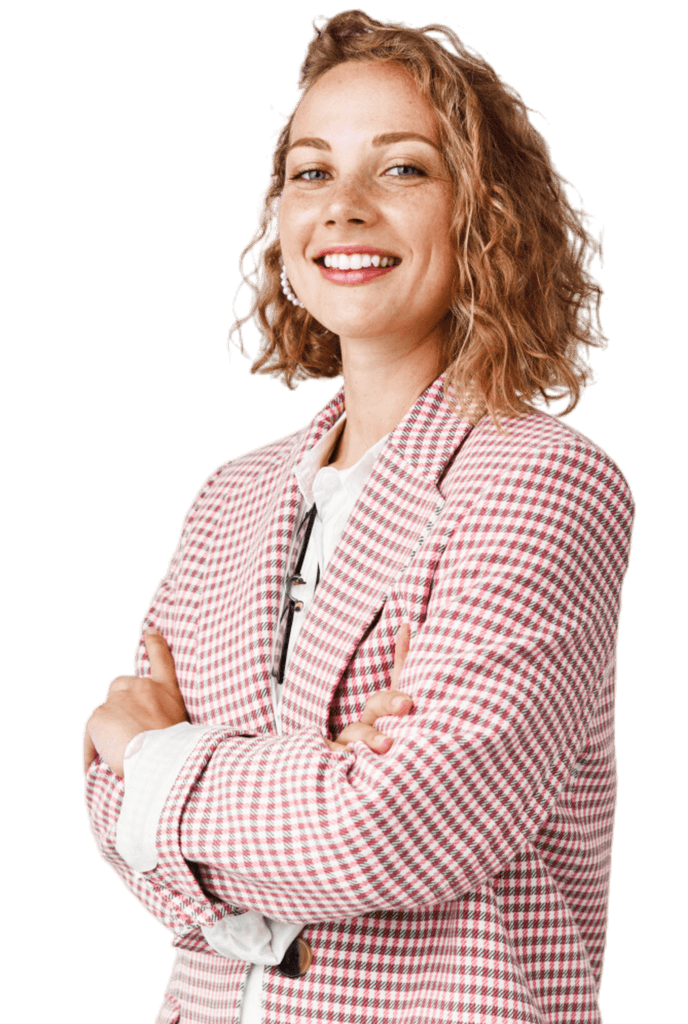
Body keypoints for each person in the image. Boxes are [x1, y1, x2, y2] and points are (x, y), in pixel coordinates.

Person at [82, 10, 635, 1023]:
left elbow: (396, 828)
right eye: (309, 171)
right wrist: (312, 782)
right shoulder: (228, 497)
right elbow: (109, 814)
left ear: (484, 214)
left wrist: (161, 760)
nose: (342, 207)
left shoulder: (545, 481)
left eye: (402, 169)